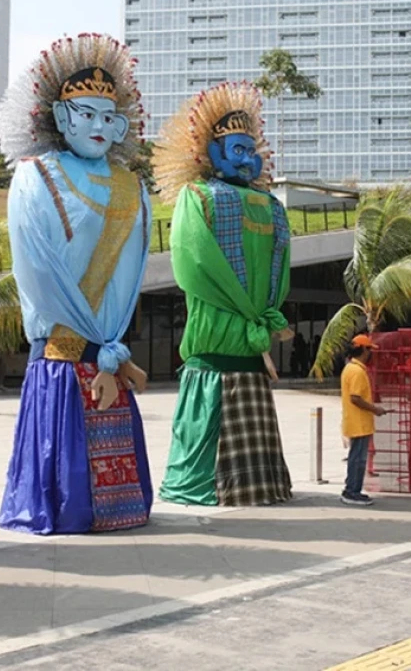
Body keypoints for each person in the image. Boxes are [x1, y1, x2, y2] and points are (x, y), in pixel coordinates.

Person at [0, 34, 153, 534]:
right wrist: (90, 339)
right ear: (61, 119)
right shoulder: (35, 176)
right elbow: (38, 272)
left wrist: (111, 347)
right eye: (85, 114)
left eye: (110, 117)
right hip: (63, 355)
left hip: (106, 350)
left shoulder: (132, 186)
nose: (100, 127)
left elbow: (129, 273)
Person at [154, 82, 292, 507]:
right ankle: (208, 484)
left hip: (249, 347)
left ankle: (256, 486)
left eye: (253, 151)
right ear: (210, 153)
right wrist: (251, 313)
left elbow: (280, 267)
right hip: (218, 342)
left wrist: (264, 311)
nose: (248, 160)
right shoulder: (197, 198)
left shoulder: (273, 207)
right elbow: (196, 267)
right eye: (237, 150)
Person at [340, 334, 388, 506]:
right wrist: (376, 409)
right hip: (359, 422)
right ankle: (352, 492)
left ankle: (351, 490)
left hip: (356, 421)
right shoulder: (357, 371)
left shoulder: (351, 368)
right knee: (358, 460)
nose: (370, 354)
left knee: (356, 458)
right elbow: (356, 398)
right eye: (369, 350)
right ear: (363, 350)